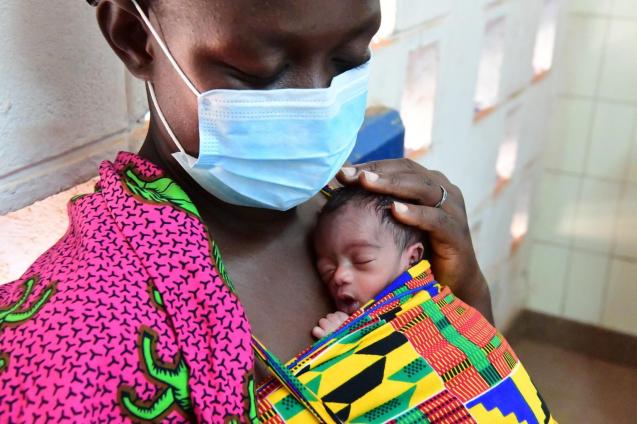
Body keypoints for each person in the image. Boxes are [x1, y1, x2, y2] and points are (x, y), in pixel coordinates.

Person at [0, 0, 553, 422]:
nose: (316, 106)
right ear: (134, 37)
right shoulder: (74, 347)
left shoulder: (364, 211)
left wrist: (467, 296)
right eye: (259, 71)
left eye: (350, 57)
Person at [311, 187, 428, 339]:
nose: (338, 276)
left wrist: (345, 341)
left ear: (412, 257)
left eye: (362, 259)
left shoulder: (425, 311)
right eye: (327, 270)